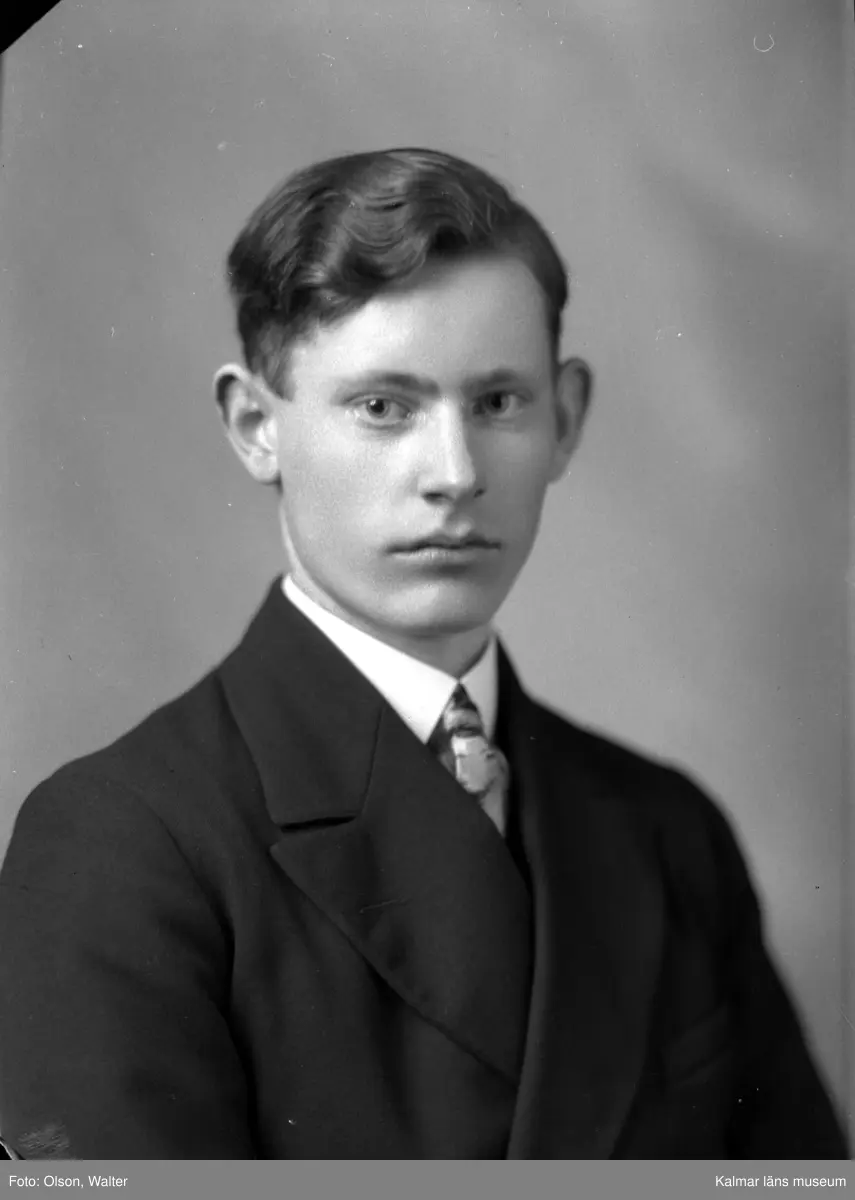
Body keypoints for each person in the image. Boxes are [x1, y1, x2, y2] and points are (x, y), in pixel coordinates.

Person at [0, 148, 847, 1160]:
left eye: (497, 403)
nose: (454, 474)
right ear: (256, 427)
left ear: (565, 419)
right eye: (383, 407)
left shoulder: (667, 832)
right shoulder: (124, 844)